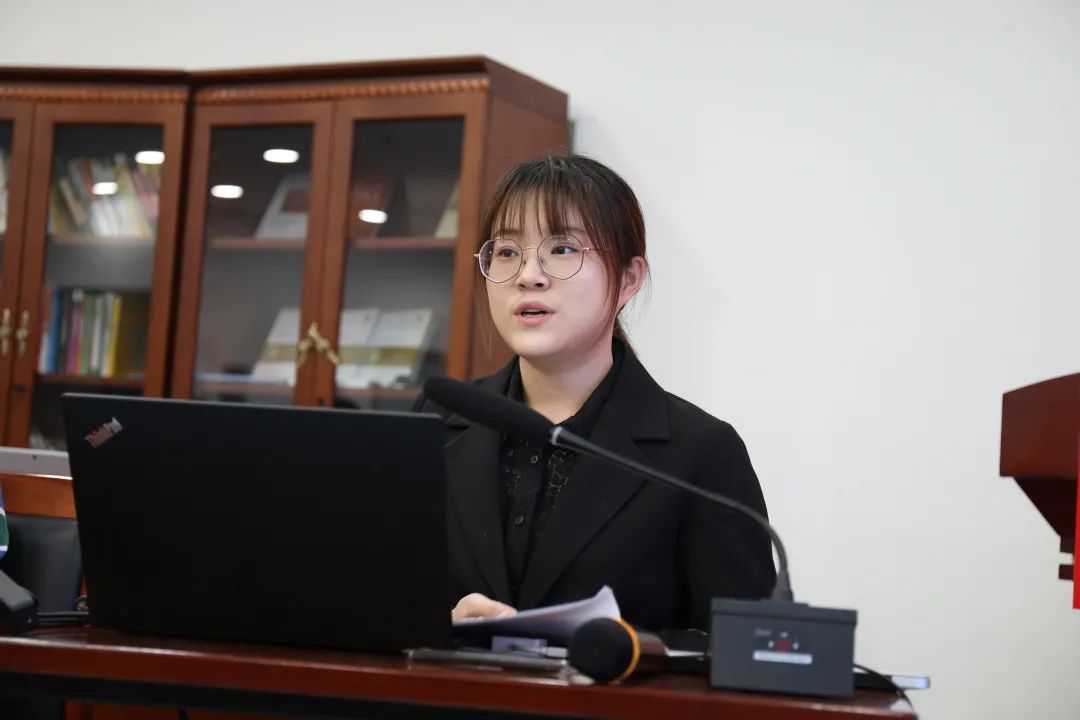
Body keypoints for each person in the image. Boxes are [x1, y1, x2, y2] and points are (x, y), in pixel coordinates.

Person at [415, 154, 775, 632]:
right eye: (506, 252)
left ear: (628, 278)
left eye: (562, 249)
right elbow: (374, 600)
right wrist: (439, 627)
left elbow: (741, 651)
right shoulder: (436, 421)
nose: (528, 275)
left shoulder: (701, 453)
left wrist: (624, 653)